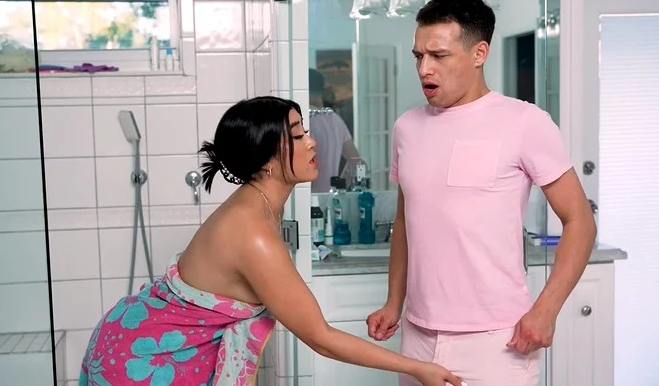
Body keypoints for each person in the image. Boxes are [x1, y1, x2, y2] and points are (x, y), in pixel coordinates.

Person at [79, 96, 464, 386]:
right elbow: (321, 338)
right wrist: (417, 368)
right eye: (297, 136)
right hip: (142, 359)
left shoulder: (258, 205)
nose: (312, 143)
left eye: (305, 132)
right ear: (265, 159)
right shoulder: (252, 232)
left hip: (138, 337)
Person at [365, 0, 597, 386]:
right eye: (418, 56)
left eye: (438, 55)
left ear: (479, 53)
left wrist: (547, 309)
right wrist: (393, 302)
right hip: (417, 336)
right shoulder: (406, 127)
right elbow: (406, 222)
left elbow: (580, 221)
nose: (424, 68)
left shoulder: (525, 122)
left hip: (497, 339)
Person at [308, 68, 364, 193]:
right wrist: (341, 188)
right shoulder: (335, 119)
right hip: (329, 198)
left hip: (307, 198)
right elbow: (358, 163)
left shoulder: (304, 120)